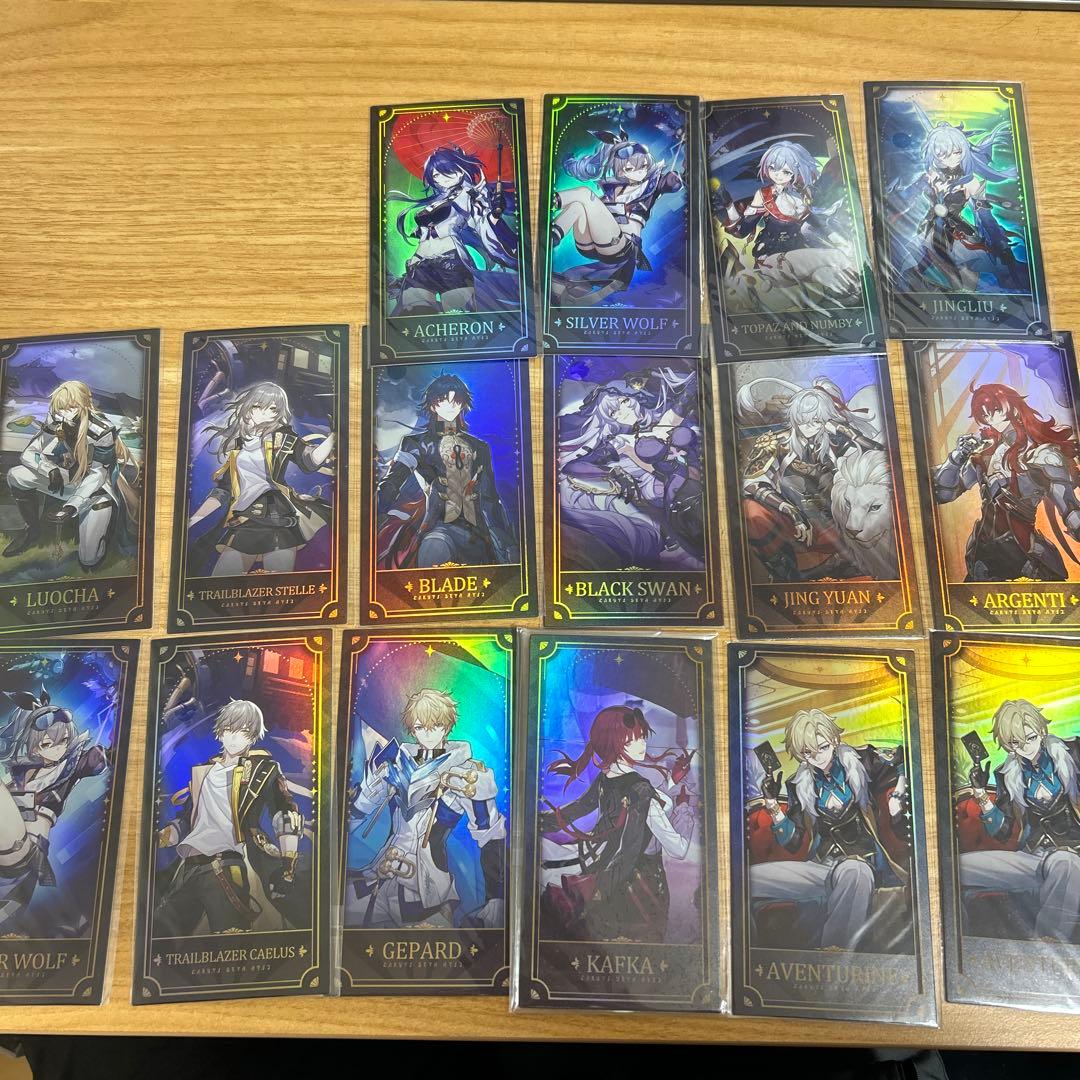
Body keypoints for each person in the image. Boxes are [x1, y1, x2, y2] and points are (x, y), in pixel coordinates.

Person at [753, 709, 908, 950]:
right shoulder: (798, 784)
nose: (817, 757)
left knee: (854, 871)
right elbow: (793, 842)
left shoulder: (863, 762)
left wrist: (897, 795)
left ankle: (836, 955)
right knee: (748, 879)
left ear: (835, 740)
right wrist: (772, 805)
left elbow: (903, 763)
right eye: (808, 752)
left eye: (823, 747)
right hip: (821, 869)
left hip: (862, 865)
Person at [539, 704, 696, 942]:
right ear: (613, 743)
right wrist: (684, 810)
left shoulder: (609, 776)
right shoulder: (640, 789)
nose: (642, 745)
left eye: (642, 737)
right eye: (632, 740)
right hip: (638, 886)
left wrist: (540, 822)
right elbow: (677, 849)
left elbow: (578, 809)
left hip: (603, 870)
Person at [349, 688, 504, 929]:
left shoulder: (466, 773)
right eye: (420, 727)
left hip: (426, 888)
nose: (428, 733)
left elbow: (490, 835)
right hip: (381, 874)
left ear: (447, 727)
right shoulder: (396, 764)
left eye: (436, 725)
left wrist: (496, 896)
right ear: (412, 729)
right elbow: (358, 811)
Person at [155, 699, 302, 935]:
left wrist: (287, 868)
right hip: (189, 868)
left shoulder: (264, 770)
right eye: (229, 729)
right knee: (163, 935)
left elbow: (285, 814)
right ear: (221, 731)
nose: (234, 737)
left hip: (225, 866)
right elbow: (186, 821)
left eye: (243, 731)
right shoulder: (204, 770)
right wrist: (160, 838)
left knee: (231, 941)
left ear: (252, 736)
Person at [933, 382, 1080, 582]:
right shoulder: (984, 456)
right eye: (983, 414)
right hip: (983, 557)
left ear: (1012, 406)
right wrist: (957, 458)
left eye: (994, 409)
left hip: (1026, 558)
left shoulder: (1041, 454)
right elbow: (943, 494)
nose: (990, 417)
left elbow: (1070, 510)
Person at [961, 699, 1080, 942]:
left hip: (1073, 857)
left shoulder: (1073, 755)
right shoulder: (1007, 775)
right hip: (1032, 859)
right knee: (954, 867)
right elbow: (1003, 832)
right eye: (1016, 742)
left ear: (1042, 731)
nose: (1026, 747)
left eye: (1031, 737)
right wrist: (980, 793)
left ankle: (1049, 946)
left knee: (1064, 863)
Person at [188, 381, 334, 575]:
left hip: (277, 516)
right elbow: (223, 491)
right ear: (249, 408)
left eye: (274, 408)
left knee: (277, 584)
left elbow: (309, 460)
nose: (268, 412)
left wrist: (334, 437)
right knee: (221, 579)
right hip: (244, 519)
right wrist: (194, 518)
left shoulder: (283, 438)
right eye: (261, 406)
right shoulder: (237, 446)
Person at [376, 373, 518, 569]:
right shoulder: (415, 443)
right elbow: (393, 481)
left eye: (456, 401)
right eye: (443, 400)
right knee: (435, 548)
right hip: (437, 525)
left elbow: (490, 499)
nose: (451, 405)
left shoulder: (479, 447)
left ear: (462, 405)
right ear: (433, 405)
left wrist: (507, 541)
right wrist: (376, 508)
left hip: (479, 532)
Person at [0, 687, 109, 928]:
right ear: (32, 744)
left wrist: (101, 755)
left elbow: (92, 763)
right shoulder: (24, 770)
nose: (57, 748)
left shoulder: (69, 768)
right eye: (48, 743)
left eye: (64, 741)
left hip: (29, 845)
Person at [3, 380, 139, 570]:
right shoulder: (57, 418)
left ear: (83, 405)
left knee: (89, 560)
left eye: (71, 408)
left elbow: (98, 474)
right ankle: (32, 531)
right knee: (16, 475)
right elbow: (29, 452)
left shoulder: (101, 431)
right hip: (70, 479)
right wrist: (49, 469)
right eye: (60, 408)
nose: (64, 413)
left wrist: (71, 506)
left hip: (96, 492)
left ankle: (104, 534)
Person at [551, 127, 684, 305]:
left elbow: (672, 183)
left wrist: (677, 176)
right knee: (578, 206)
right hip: (593, 245)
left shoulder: (651, 188)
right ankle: (550, 236)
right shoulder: (614, 188)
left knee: (584, 194)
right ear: (620, 170)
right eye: (630, 168)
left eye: (644, 166)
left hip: (621, 247)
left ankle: (552, 201)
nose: (639, 171)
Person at [390, 145, 518, 315]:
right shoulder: (438, 199)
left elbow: (481, 222)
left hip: (450, 262)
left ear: (459, 170)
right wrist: (414, 259)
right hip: (420, 265)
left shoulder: (471, 195)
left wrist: (495, 214)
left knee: (459, 315)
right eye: (435, 175)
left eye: (444, 172)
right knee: (415, 314)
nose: (439, 179)